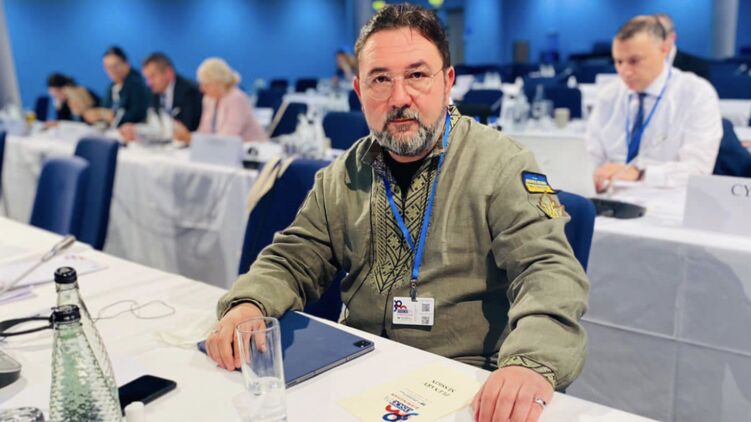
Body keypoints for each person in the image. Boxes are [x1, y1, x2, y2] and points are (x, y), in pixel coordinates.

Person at [207, 4, 588, 422]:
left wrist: (529, 363)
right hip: (360, 371)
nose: (399, 98)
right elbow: (294, 257)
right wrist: (250, 304)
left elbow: (547, 269)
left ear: (447, 82)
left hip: (464, 382)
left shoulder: (500, 164)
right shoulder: (342, 175)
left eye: (417, 75)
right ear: (359, 91)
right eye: (380, 79)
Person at [586, 16, 722, 191]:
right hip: (609, 196)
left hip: (668, 199)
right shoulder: (609, 95)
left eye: (634, 61)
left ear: (664, 50)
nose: (625, 71)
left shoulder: (696, 93)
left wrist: (641, 174)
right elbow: (590, 157)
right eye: (619, 62)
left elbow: (698, 170)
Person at [177, 58, 265, 143]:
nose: (201, 89)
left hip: (251, 149)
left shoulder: (237, 99)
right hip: (223, 149)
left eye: (206, 85)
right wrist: (187, 136)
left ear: (218, 82)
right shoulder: (209, 100)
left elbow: (228, 136)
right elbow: (204, 131)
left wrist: (191, 138)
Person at [120, 52, 202, 142]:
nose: (149, 83)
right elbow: (153, 123)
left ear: (169, 73)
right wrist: (136, 129)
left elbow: (187, 128)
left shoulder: (190, 92)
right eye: (147, 78)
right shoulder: (155, 93)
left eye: (152, 77)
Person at [83, 46, 150, 127]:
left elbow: (137, 116)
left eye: (115, 66)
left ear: (127, 64)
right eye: (107, 67)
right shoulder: (111, 87)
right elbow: (104, 108)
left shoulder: (137, 85)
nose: (111, 70)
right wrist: (95, 115)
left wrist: (109, 115)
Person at [654, 13, 711, 81]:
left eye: (658, 34)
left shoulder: (697, 66)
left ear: (672, 37)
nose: (653, 39)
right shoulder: (643, 63)